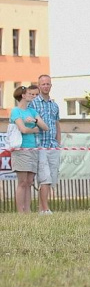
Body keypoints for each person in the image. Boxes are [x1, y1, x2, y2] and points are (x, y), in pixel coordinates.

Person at [10, 85, 49, 213]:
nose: (33, 96)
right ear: (23, 95)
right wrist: (33, 129)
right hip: (21, 149)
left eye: (34, 94)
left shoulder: (32, 111)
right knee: (22, 182)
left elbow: (45, 127)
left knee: (29, 181)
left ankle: (27, 210)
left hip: (33, 149)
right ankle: (20, 212)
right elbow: (23, 129)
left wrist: (35, 120)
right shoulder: (16, 111)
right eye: (30, 94)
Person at [30, 74, 61, 215]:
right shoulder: (34, 103)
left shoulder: (54, 105)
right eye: (43, 84)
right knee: (45, 178)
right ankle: (45, 208)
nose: (46, 86)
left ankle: (42, 207)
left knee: (52, 178)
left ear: (51, 86)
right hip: (40, 145)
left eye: (48, 84)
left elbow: (57, 124)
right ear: (39, 85)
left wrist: (58, 143)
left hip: (53, 145)